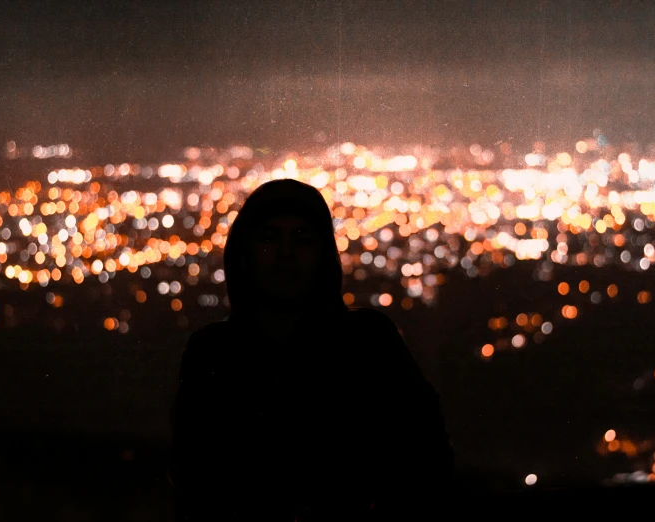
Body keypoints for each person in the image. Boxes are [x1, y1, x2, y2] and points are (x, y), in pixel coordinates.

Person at [169, 178, 454, 521]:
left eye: (302, 240)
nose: (285, 256)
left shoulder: (368, 344)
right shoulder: (213, 353)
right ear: (244, 253)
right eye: (269, 238)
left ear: (324, 255)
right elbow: (194, 480)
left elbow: (424, 466)